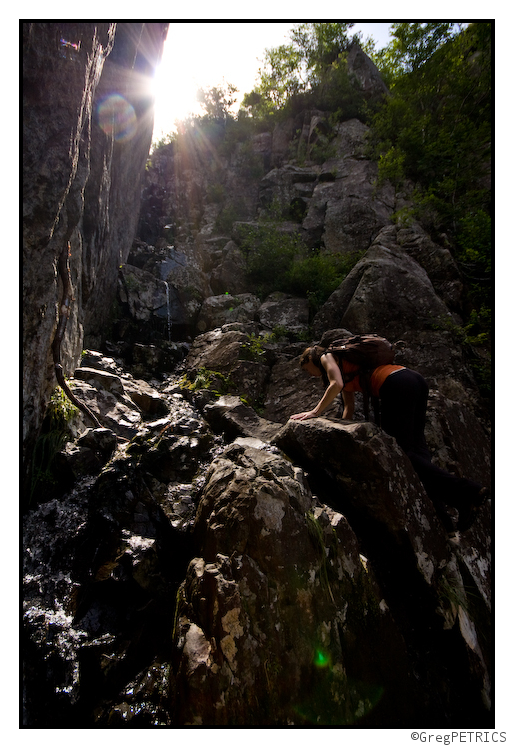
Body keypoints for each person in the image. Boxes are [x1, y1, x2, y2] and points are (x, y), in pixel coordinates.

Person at [290, 344, 488, 533]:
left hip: (396, 385)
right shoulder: (347, 367)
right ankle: (448, 517)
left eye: (308, 370)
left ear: (311, 358)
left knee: (403, 454)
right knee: (418, 455)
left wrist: (314, 412)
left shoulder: (326, 356)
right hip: (413, 380)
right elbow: (348, 409)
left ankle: (469, 492)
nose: (310, 375)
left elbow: (336, 384)